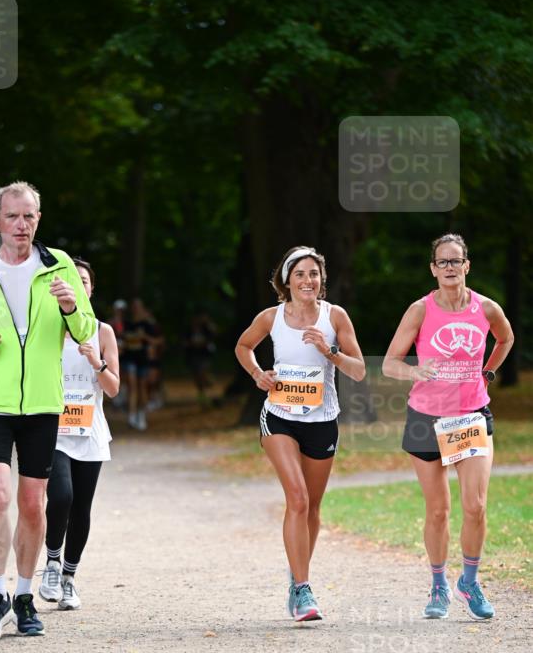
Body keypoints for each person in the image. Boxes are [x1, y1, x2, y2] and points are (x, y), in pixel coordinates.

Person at [0, 181, 95, 639]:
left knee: (32, 503)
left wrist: (70, 305)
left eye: (29, 216)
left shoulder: (58, 266)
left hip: (43, 404)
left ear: (38, 220)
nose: (21, 225)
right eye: (12, 216)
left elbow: (85, 327)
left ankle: (24, 597)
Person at [383, 233, 514, 620]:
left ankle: (469, 582)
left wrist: (488, 371)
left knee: (475, 506)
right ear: (433, 269)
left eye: (456, 261)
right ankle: (439, 584)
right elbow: (390, 362)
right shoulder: (420, 311)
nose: (450, 268)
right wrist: (414, 369)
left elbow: (505, 338)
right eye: (443, 262)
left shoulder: (486, 309)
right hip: (426, 418)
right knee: (438, 511)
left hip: (471, 415)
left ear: (467, 266)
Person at [235, 246, 366, 621]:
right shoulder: (271, 317)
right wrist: (258, 373)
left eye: (314, 274)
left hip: (322, 420)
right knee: (297, 498)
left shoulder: (335, 316)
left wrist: (331, 352)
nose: (308, 281)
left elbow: (358, 371)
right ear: (286, 280)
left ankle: (296, 577)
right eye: (300, 274)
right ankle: (304, 590)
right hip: (279, 416)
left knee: (312, 505)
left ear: (321, 280)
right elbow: (243, 346)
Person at [38, 258, 120, 609]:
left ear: (90, 287)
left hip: (90, 432)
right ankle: (52, 563)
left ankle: (69, 578)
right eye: (72, 281)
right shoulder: (46, 329)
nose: (79, 286)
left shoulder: (102, 332)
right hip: (54, 430)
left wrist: (95, 361)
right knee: (61, 497)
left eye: (84, 280)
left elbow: (114, 388)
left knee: (82, 507)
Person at [121, 297, 156, 430]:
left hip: (142, 359)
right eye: (134, 307)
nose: (136, 309)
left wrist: (144, 337)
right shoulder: (127, 324)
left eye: (138, 306)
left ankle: (141, 415)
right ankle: (131, 415)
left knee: (142, 387)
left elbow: (154, 342)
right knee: (132, 386)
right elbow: (122, 340)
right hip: (129, 359)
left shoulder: (147, 325)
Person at [185, 313, 217, 404]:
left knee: (202, 371)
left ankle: (207, 382)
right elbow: (185, 342)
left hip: (204, 354)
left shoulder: (206, 329)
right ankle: (202, 393)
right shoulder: (189, 330)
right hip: (193, 355)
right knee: (196, 375)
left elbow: (213, 336)